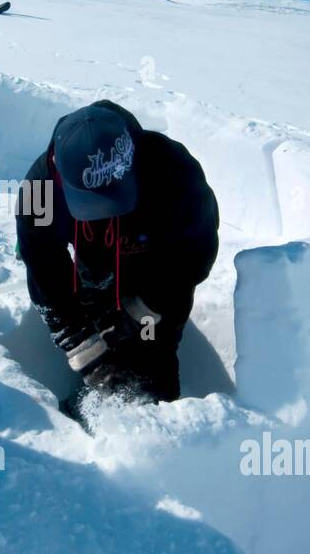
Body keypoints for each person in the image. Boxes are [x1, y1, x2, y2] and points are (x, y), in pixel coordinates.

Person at [15, 101, 218, 425]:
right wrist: (80, 345)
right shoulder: (39, 191)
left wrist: (143, 309)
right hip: (92, 269)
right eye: (93, 204)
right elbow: (43, 266)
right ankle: (77, 440)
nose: (107, 212)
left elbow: (194, 253)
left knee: (153, 359)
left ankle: (162, 437)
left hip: (155, 270)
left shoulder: (174, 171)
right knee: (96, 353)